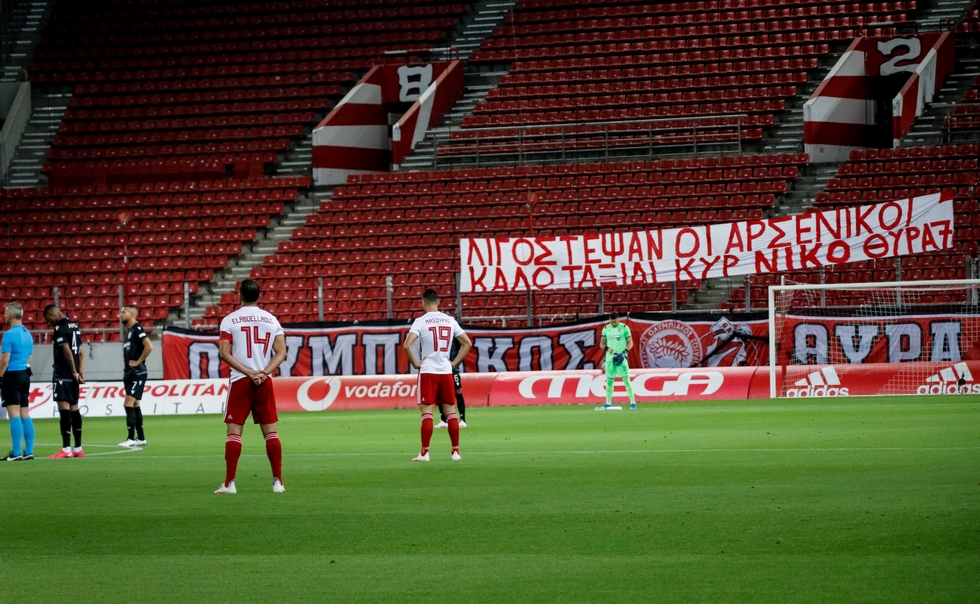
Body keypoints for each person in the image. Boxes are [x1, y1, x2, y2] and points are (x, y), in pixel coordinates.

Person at [214, 279, 287, 494]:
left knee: (234, 431)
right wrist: (263, 372)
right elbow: (281, 352)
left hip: (240, 380)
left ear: (239, 295)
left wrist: (248, 372)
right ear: (259, 296)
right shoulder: (271, 319)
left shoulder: (229, 320)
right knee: (270, 431)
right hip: (264, 381)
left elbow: (224, 353)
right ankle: (278, 482)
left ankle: (229, 484)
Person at [403, 288, 471, 462]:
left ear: (423, 303)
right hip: (445, 370)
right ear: (438, 302)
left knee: (427, 411)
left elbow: (407, 345)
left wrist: (415, 363)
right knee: (450, 411)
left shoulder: (420, 321)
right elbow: (467, 343)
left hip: (428, 371)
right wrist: (454, 363)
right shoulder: (450, 320)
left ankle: (425, 453)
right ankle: (456, 451)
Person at [44, 305, 86, 458]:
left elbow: (67, 351)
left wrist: (74, 371)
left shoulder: (59, 329)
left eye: (49, 319)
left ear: (54, 313)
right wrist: (80, 372)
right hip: (74, 375)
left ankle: (66, 449)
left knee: (64, 408)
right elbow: (81, 353)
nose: (50, 323)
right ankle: (78, 448)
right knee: (74, 408)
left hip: (63, 373)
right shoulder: (74, 327)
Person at [1, 302, 35, 461]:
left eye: (6, 313)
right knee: (24, 414)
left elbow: (4, 361)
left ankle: (15, 453)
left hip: (12, 376)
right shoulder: (28, 334)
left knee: (13, 414)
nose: (4, 316)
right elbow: (30, 358)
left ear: (12, 315)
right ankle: (28, 451)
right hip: (24, 375)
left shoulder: (8, 335)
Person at [118, 305, 152, 447]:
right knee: (136, 403)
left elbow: (149, 346)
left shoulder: (137, 329)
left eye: (123, 312)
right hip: (130, 373)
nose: (120, 315)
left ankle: (131, 438)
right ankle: (141, 437)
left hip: (137, 373)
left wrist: (138, 362)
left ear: (131, 314)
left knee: (128, 403)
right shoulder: (129, 332)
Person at [599, 311, 637, 410]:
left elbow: (630, 343)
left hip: (621, 357)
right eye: (612, 322)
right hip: (610, 358)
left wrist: (624, 352)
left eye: (615, 322)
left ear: (618, 319)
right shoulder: (606, 328)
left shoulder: (624, 328)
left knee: (626, 379)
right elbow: (602, 344)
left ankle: (633, 402)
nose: (613, 324)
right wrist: (608, 349)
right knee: (609, 380)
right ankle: (608, 402)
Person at [435, 336, 467, 429]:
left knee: (458, 391)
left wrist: (455, 362)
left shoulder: (454, 332)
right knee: (440, 392)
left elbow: (463, 345)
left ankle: (462, 420)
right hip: (440, 367)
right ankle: (443, 420)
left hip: (453, 367)